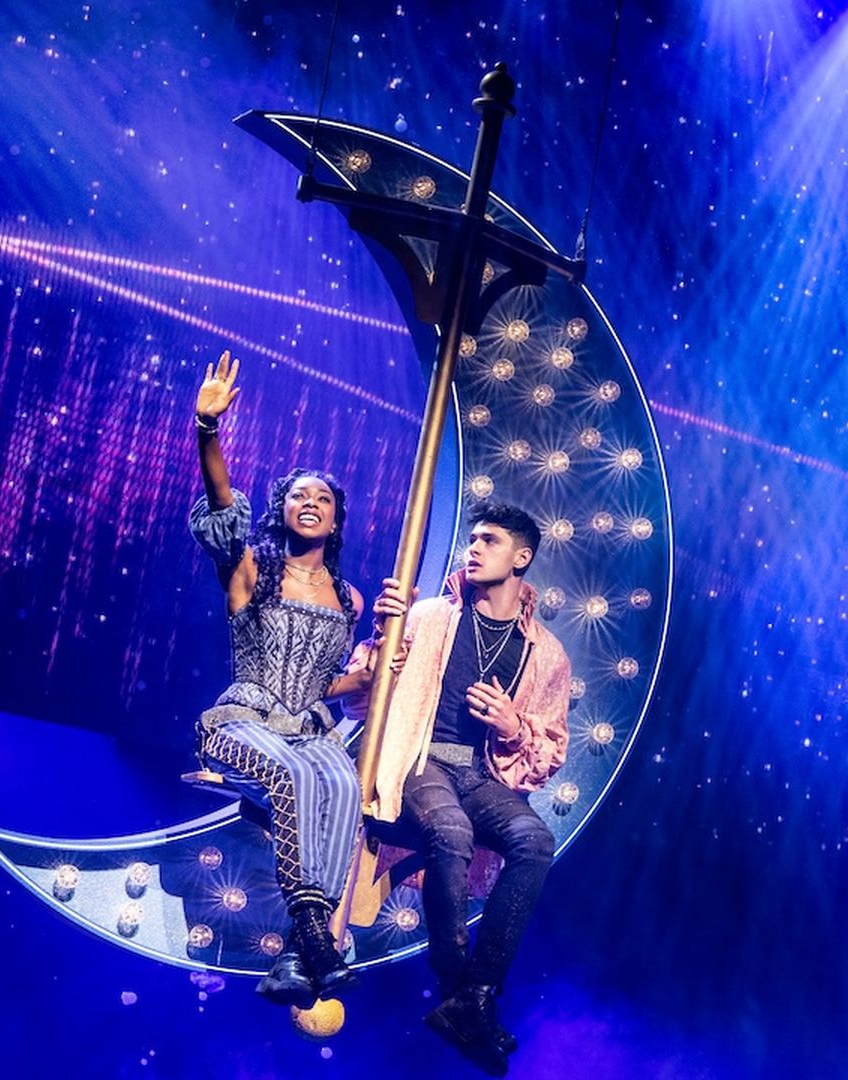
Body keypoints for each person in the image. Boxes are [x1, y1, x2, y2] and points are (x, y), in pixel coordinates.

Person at [187, 350, 400, 1011]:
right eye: (299, 495)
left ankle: (295, 956)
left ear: (336, 519)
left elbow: (322, 686)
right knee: (298, 774)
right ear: (282, 511)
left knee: (340, 781)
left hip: (308, 729)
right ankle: (315, 940)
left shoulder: (351, 598)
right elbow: (222, 500)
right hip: (242, 724)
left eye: (324, 498)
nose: (311, 503)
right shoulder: (252, 569)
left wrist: (365, 674)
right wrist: (208, 431)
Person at [350, 502, 571, 1076]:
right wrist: (382, 639)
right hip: (422, 761)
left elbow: (547, 751)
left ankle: (477, 994)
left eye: (490, 541)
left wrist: (512, 725)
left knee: (535, 840)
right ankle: (456, 987)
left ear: (521, 557)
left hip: (482, 774)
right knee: (448, 831)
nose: (473, 549)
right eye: (471, 539)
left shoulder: (546, 653)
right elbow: (363, 695)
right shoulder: (428, 617)